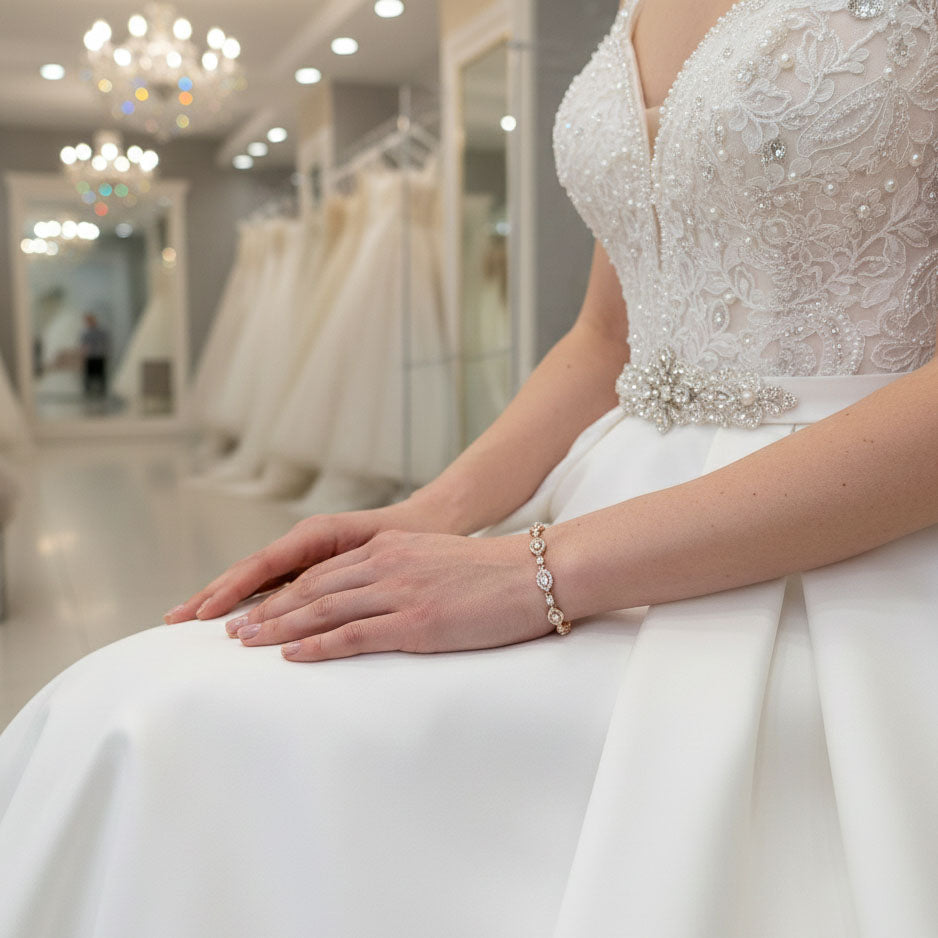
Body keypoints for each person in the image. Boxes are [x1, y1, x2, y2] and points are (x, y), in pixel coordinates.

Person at [1, 0, 937, 935]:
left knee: (167, 732)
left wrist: (540, 573)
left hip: (848, 551)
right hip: (610, 497)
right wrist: (433, 512)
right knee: (124, 711)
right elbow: (612, 334)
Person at [79, 313, 111, 398]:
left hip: (99, 355)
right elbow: (83, 345)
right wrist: (83, 355)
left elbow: (105, 343)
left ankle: (101, 392)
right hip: (90, 356)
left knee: (100, 375)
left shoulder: (101, 331)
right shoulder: (86, 333)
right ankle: (89, 392)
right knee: (89, 376)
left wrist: (106, 353)